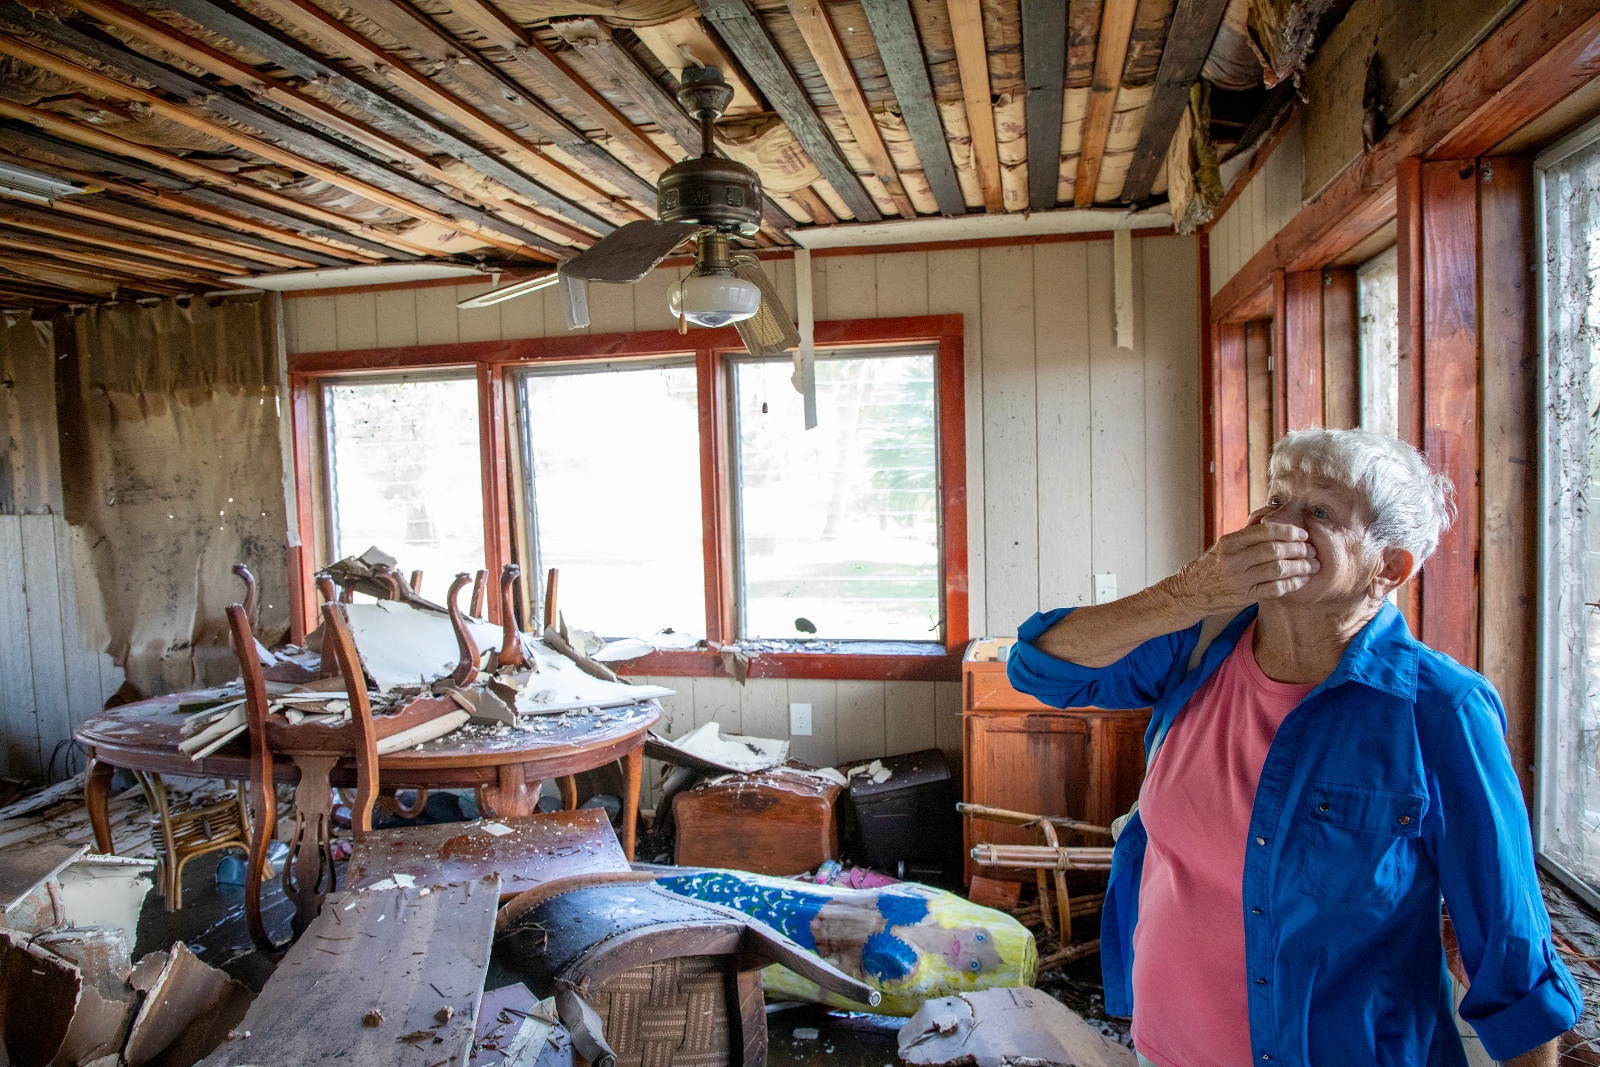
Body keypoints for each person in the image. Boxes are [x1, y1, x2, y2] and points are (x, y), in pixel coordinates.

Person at [1007, 428, 1581, 1067]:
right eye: (1276, 500)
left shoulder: (1440, 709)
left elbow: (1511, 951)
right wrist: (1191, 593)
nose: (1281, 525)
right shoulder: (1198, 648)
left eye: (1320, 511)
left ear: (1389, 567)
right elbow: (1038, 668)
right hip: (1166, 1048)